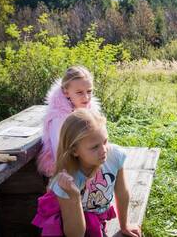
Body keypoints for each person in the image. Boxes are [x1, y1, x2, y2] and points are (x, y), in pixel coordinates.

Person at [32, 109, 141, 237]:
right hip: (70, 221)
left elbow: (122, 192)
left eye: (105, 141)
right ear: (74, 151)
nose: (103, 150)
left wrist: (124, 225)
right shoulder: (66, 182)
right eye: (95, 147)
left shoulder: (114, 156)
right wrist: (74, 197)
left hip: (95, 215)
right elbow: (75, 234)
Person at [37, 65, 100, 177]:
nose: (86, 97)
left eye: (89, 91)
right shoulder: (59, 119)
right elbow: (60, 154)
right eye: (79, 92)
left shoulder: (90, 110)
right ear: (66, 92)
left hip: (89, 164)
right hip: (67, 172)